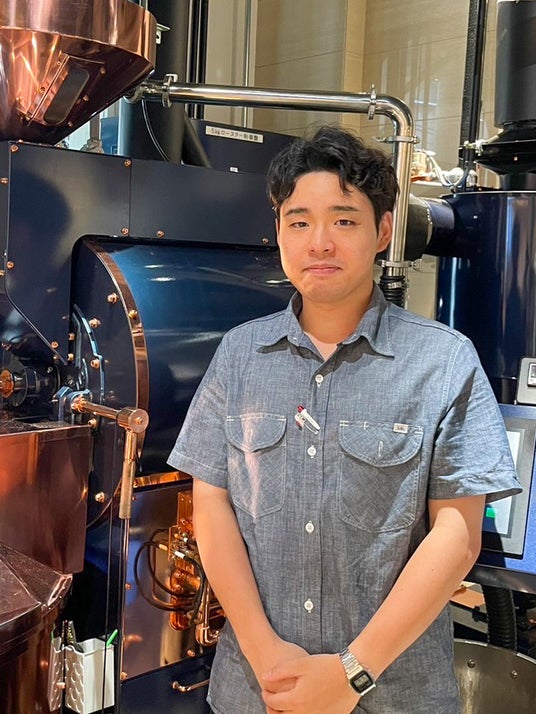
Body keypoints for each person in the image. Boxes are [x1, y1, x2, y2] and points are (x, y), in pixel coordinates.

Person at [167, 125, 520, 714]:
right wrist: (265, 655)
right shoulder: (239, 354)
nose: (319, 243)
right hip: (257, 691)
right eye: (299, 221)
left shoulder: (442, 361)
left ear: (383, 231)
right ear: (278, 231)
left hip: (394, 696)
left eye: (345, 220)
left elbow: (457, 536)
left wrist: (352, 674)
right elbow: (212, 505)